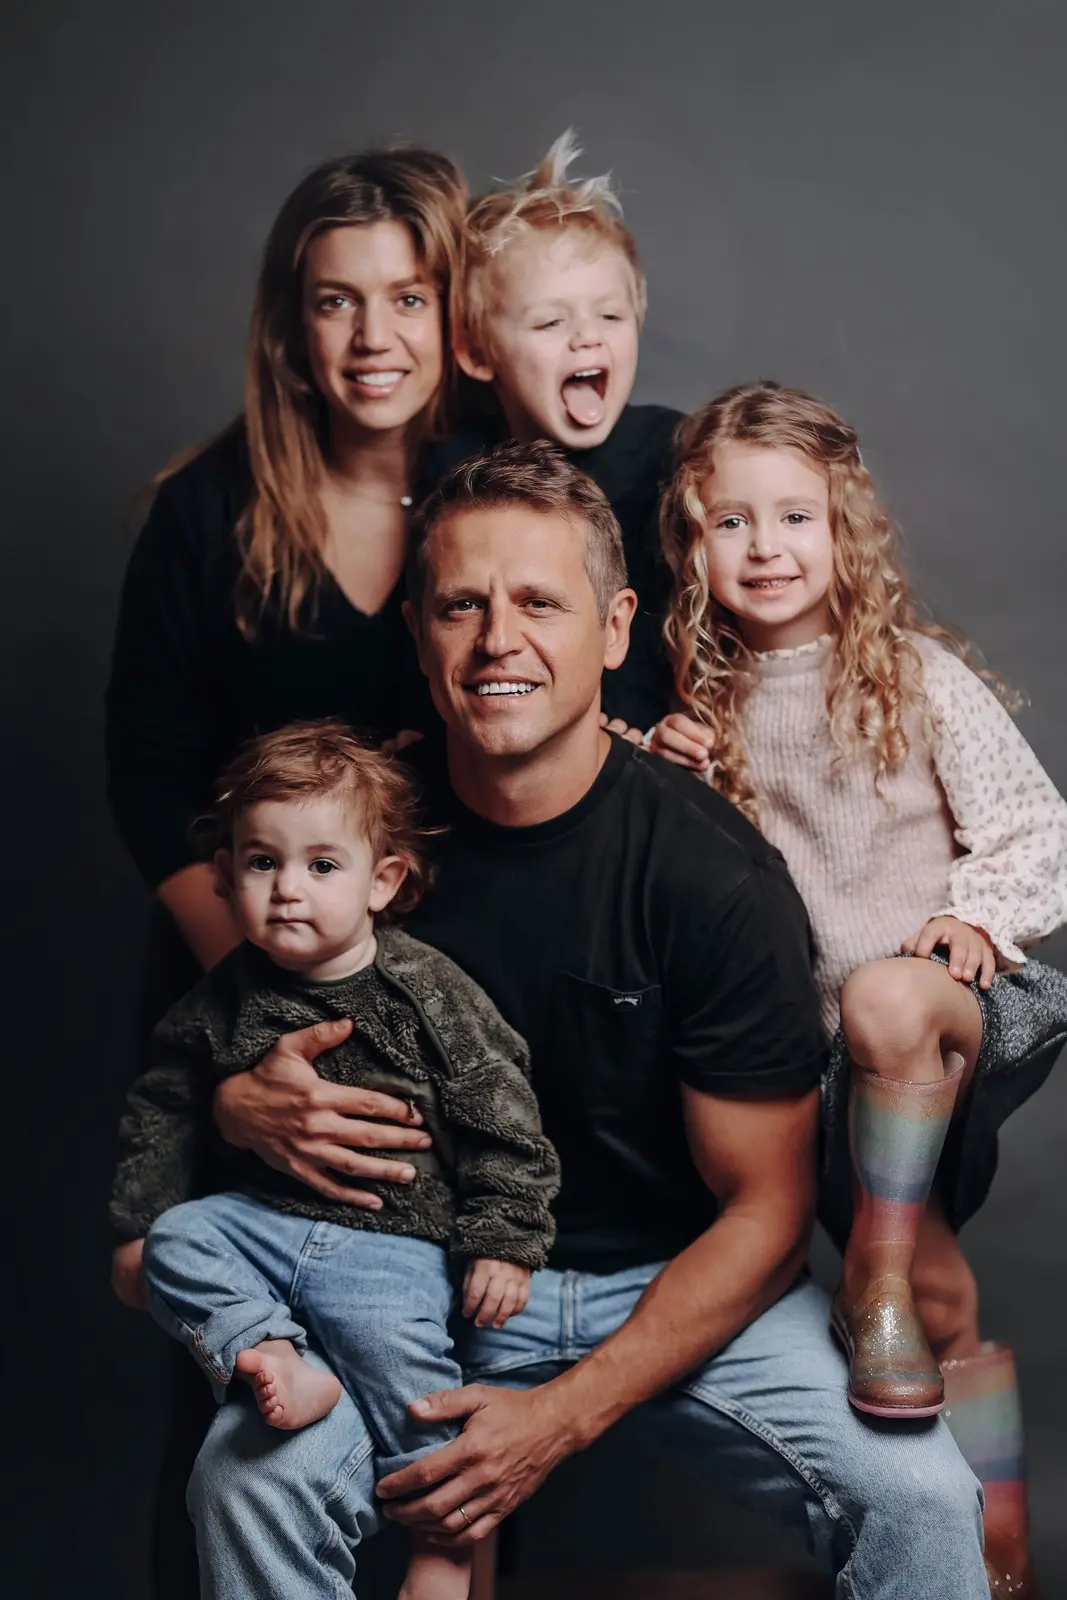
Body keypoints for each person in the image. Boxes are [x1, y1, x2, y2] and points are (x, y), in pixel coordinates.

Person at [194, 440, 988, 1600]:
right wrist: (235, 1093)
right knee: (247, 1477)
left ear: (614, 630)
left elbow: (764, 1214)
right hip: (419, 1281)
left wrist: (559, 1415)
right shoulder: (348, 848)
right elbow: (232, 1045)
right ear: (417, 634)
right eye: (460, 604)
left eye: (537, 602)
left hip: (670, 1285)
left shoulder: (711, 875)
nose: (496, 638)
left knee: (919, 1494)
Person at [105, 145, 470, 1598]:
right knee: (242, 1391)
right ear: (287, 322)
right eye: (335, 302)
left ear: (455, 314)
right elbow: (149, 789)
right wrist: (266, 1035)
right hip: (234, 986)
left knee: (440, 1374)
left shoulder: (496, 493)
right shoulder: (205, 513)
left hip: (441, 999)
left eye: (406, 297)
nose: (371, 339)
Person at [649, 382, 1067, 1597]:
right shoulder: (707, 706)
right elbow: (712, 899)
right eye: (731, 524)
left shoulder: (911, 676)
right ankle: (995, 1550)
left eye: (793, 518)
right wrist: (676, 772)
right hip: (818, 1067)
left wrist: (969, 916)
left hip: (936, 1019)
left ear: (844, 529)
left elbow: (1038, 831)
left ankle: (868, 1282)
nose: (766, 549)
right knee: (940, 1291)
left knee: (887, 1000)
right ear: (691, 544)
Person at [109, 721, 559, 1600]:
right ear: (226, 875)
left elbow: (502, 1107)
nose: (286, 891)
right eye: (261, 863)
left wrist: (503, 1238)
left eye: (321, 866)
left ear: (381, 880)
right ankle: (273, 1353)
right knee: (175, 1240)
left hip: (391, 1247)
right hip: (264, 1234)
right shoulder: (224, 994)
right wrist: (136, 1224)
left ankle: (444, 1551)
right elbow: (161, 1098)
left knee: (415, 1394)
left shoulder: (422, 991)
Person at [423, 130, 681, 731]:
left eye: (611, 315)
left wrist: (686, 723)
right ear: (477, 353)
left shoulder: (677, 456)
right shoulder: (454, 476)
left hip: (654, 753)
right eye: (550, 321)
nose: (587, 337)